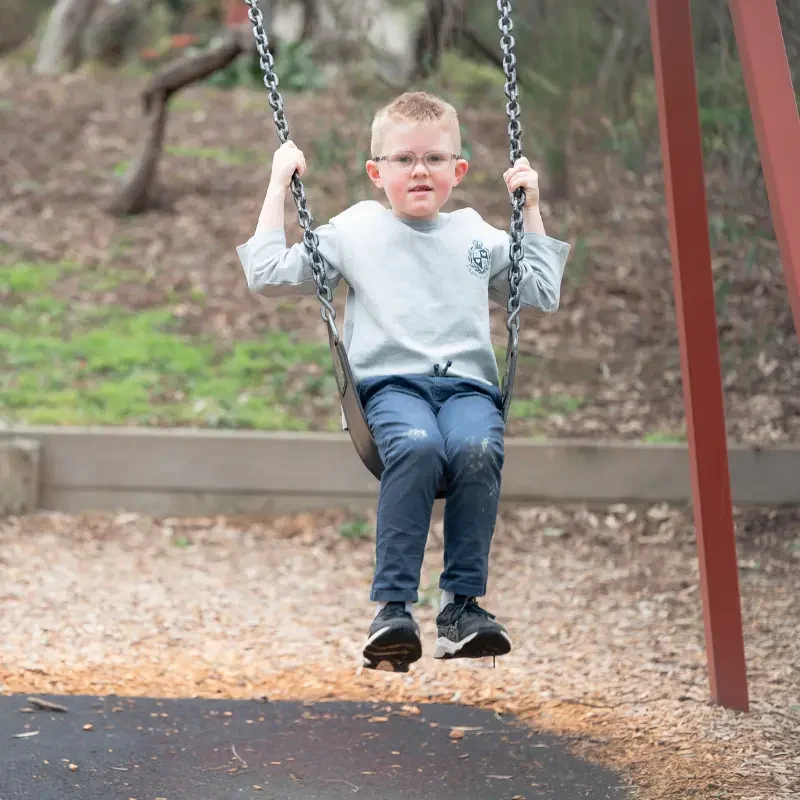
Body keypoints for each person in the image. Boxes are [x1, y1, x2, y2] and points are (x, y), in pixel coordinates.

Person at [236, 91, 570, 673]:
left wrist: (532, 206)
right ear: (377, 172)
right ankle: (392, 611)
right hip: (391, 390)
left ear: (458, 171)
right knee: (416, 449)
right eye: (404, 159)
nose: (420, 170)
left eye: (435, 159)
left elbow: (540, 289)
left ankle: (461, 609)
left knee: (477, 447)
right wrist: (277, 184)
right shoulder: (355, 230)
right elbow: (266, 273)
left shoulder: (474, 233)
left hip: (467, 390)